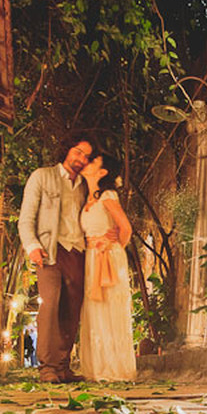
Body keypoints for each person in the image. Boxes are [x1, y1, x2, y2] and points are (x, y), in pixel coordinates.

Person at [19, 136, 92, 383]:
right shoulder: (42, 176)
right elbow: (26, 217)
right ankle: (48, 367)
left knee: (71, 310)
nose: (80, 159)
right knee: (50, 306)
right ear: (67, 149)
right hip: (50, 249)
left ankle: (63, 366)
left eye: (86, 157)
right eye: (78, 151)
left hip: (79, 251)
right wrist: (32, 246)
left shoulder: (85, 185)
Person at [78, 154, 136, 382]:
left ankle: (115, 368)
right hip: (91, 257)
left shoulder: (108, 196)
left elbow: (126, 228)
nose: (87, 163)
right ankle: (97, 367)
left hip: (108, 257)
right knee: (94, 310)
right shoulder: (87, 199)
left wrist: (114, 248)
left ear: (102, 173)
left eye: (93, 162)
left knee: (110, 308)